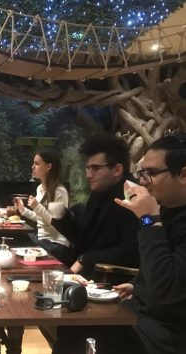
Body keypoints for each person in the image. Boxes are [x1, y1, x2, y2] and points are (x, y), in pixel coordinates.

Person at [53, 133, 186, 354]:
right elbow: (163, 266)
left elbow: (167, 290)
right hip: (144, 311)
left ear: (183, 174)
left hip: (169, 332)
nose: (143, 181)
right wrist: (137, 286)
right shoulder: (165, 211)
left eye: (152, 173)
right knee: (73, 325)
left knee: (82, 331)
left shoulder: (148, 210)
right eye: (143, 172)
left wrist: (149, 219)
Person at [51, 134, 140, 278]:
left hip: (114, 282)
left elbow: (132, 251)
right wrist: (61, 218)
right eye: (87, 168)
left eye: (95, 168)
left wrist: (87, 259)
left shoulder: (132, 197)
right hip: (89, 274)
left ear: (117, 170)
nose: (88, 175)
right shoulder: (98, 194)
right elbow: (83, 240)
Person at [14, 149, 72, 265]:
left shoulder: (59, 192)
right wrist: (23, 211)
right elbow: (41, 219)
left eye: (37, 163)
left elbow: (58, 225)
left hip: (56, 245)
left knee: (18, 244)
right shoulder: (40, 188)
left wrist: (37, 207)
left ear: (49, 166)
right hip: (42, 241)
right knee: (16, 241)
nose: (32, 167)